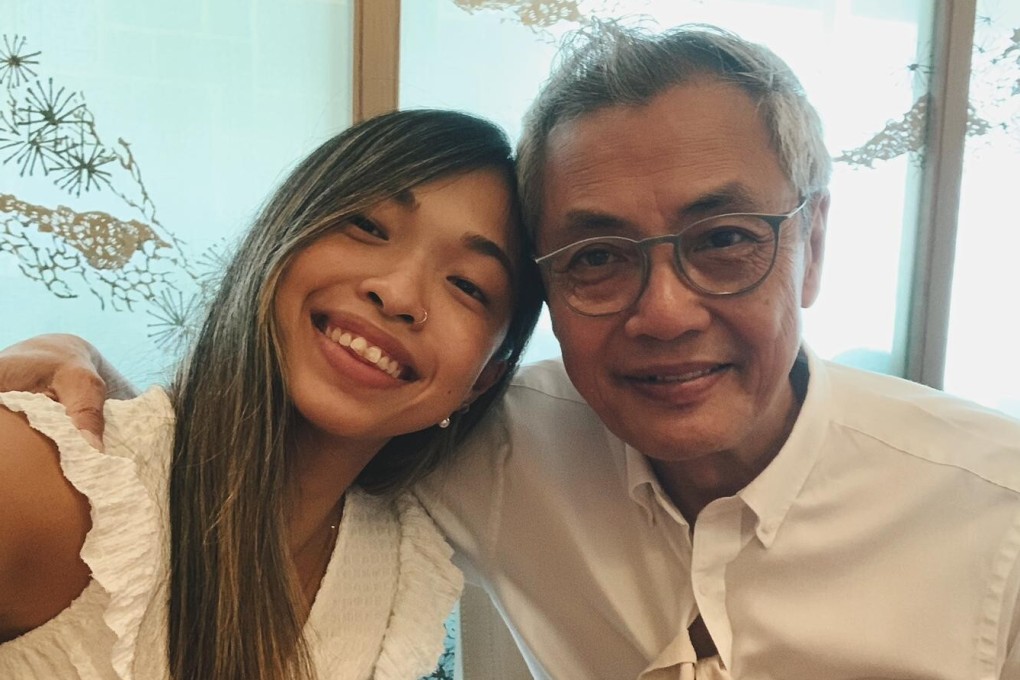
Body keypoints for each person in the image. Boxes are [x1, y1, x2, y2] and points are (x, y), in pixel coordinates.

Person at [4, 21, 1020, 680]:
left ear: (813, 244)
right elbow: (151, 484)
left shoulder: (996, 517)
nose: (662, 310)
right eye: (595, 257)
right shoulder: (499, 439)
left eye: (722, 241)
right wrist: (67, 364)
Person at [0, 108, 543, 680]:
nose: (398, 293)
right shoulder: (55, 485)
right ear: (282, 236)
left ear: (483, 379)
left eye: (467, 285)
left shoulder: (399, 562)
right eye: (367, 226)